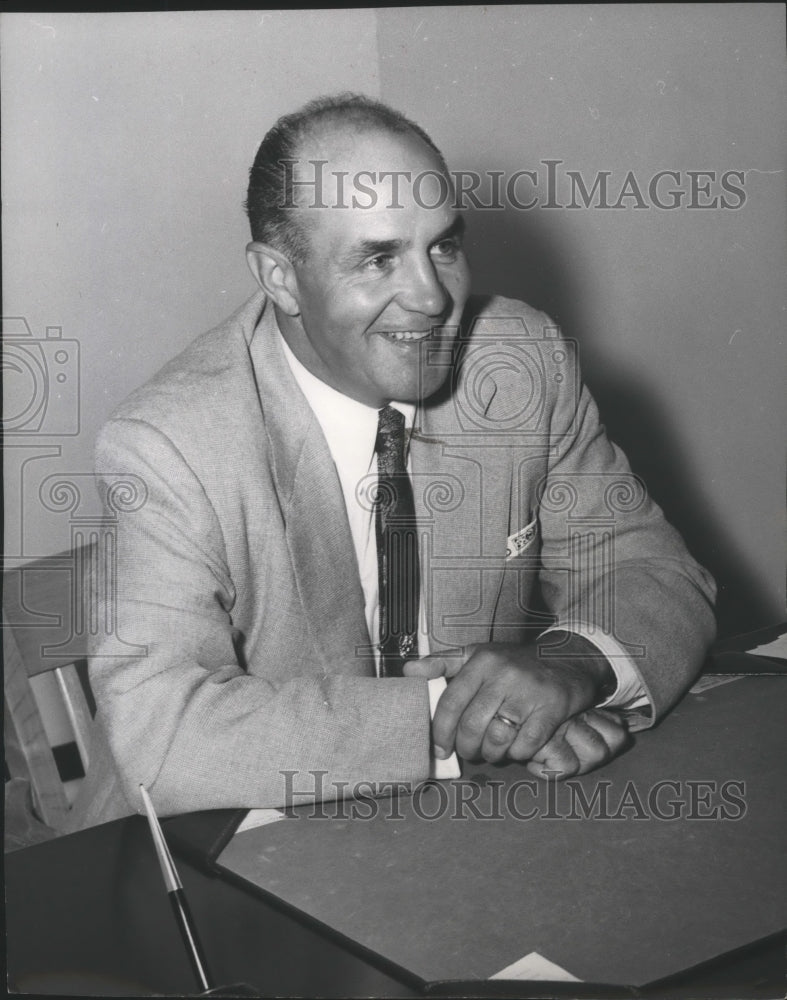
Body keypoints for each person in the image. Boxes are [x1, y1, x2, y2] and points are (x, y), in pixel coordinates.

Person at [69, 94, 716, 830]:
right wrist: (464, 720)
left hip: (460, 827)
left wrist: (572, 665)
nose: (432, 295)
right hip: (212, 846)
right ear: (279, 278)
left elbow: (652, 570)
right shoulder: (171, 442)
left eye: (442, 246)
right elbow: (160, 731)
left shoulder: (518, 360)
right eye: (378, 258)